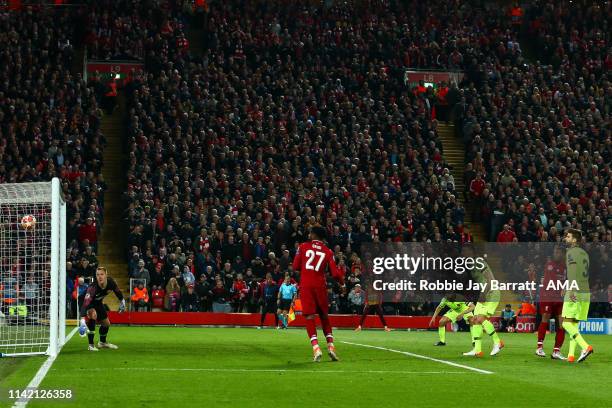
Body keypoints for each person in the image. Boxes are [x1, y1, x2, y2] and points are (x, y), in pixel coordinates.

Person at [292, 226, 344, 362]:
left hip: (307, 285)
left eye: (310, 232)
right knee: (324, 317)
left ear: (314, 234)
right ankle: (331, 347)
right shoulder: (328, 251)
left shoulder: (303, 246)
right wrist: (342, 283)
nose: (308, 234)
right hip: (320, 285)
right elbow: (334, 273)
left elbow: (295, 266)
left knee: (309, 317)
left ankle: (316, 348)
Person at [461, 251, 504, 357]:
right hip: (483, 294)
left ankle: (498, 342)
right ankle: (477, 350)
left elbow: (489, 278)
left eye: (466, 252)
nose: (464, 254)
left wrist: (485, 293)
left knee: (480, 319)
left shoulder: (478, 261)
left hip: (492, 292)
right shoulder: (469, 267)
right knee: (475, 320)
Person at [561, 229, 593, 363]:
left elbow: (573, 271)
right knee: (574, 324)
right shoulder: (584, 253)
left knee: (566, 324)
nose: (565, 238)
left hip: (576, 290)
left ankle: (585, 347)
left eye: (568, 237)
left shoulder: (571, 252)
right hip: (586, 291)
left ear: (574, 240)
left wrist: (571, 289)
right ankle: (571, 355)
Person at [78, 267, 126, 351]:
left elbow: (117, 292)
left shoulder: (111, 282)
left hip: (98, 302)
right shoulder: (93, 288)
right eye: (97, 275)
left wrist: (122, 301)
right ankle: (91, 345)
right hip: (85, 302)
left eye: (102, 274)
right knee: (93, 314)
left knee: (106, 324)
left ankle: (102, 343)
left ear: (106, 275)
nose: (99, 277)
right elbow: (85, 303)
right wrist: (82, 320)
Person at [536, 245, 566, 359]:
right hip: (548, 297)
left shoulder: (565, 267)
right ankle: (539, 348)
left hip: (560, 298)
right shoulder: (550, 265)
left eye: (558, 252)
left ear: (563, 254)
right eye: (555, 252)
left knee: (562, 324)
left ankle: (556, 351)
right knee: (545, 317)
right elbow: (552, 283)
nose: (556, 254)